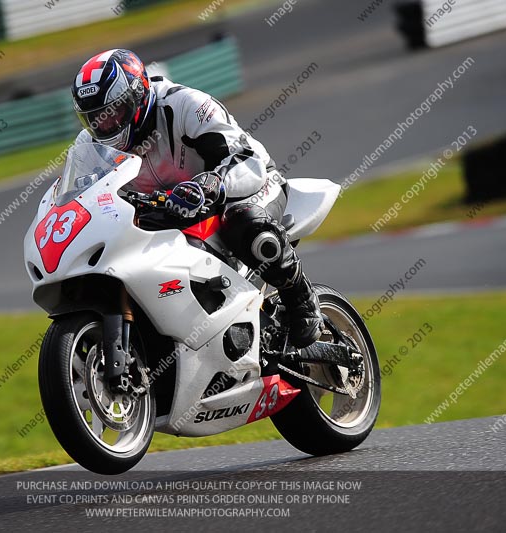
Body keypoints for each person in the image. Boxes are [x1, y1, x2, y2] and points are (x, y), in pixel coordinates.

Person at [70, 49, 322, 348]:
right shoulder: (89, 146)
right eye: (95, 119)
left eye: (113, 112)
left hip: (244, 189)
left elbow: (246, 158)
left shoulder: (185, 105)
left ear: (138, 96)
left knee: (246, 223)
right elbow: (79, 197)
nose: (106, 125)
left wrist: (211, 184)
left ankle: (301, 299)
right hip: (168, 214)